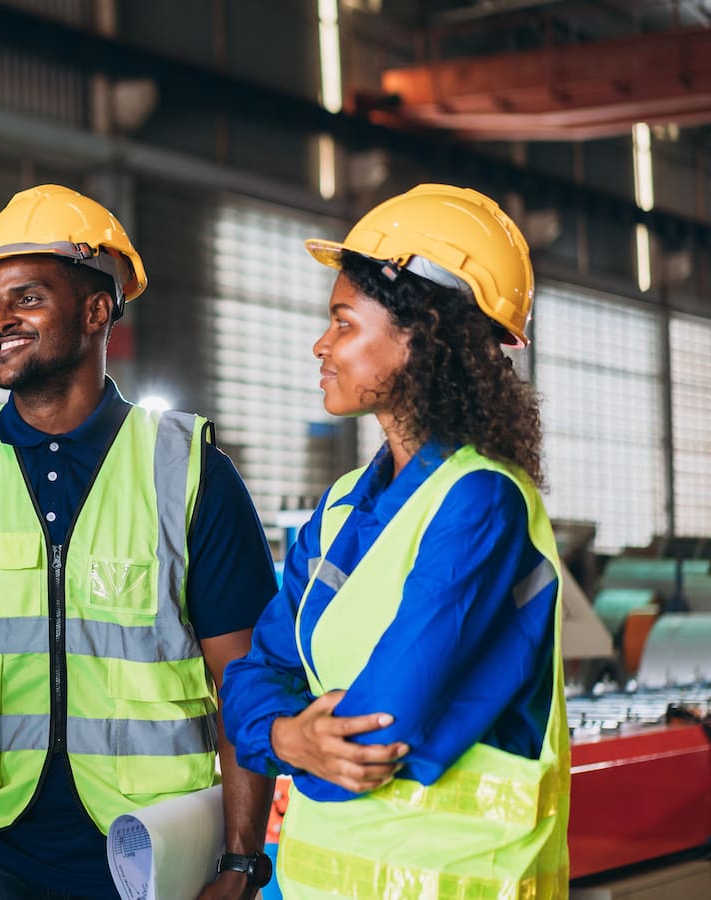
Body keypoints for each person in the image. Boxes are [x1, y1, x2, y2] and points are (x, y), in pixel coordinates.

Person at [0, 184, 279, 899]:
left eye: (27, 298)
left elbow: (247, 677)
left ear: (98, 310)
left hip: (150, 842)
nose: (0, 320)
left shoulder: (190, 475)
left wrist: (243, 860)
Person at [220, 184, 568, 899]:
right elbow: (250, 678)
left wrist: (283, 732)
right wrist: (288, 737)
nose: (322, 344)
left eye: (343, 323)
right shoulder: (343, 505)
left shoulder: (482, 505)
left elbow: (378, 733)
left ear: (420, 336)